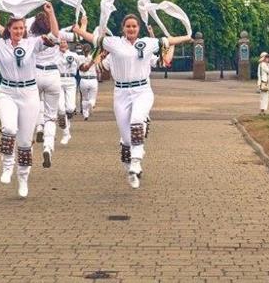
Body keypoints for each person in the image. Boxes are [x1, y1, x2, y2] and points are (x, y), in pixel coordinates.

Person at [72, 13, 191, 189]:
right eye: (128, 26)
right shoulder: (113, 44)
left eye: (134, 26)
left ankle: (136, 161)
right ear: (123, 28)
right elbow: (94, 39)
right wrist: (79, 31)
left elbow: (168, 41)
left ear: (138, 28)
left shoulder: (147, 43)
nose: (131, 29)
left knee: (136, 120)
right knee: (126, 140)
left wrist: (187, 37)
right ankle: (132, 163)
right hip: (121, 93)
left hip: (142, 90)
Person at [0, 2, 59, 198]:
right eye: (15, 28)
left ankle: (23, 179)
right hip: (7, 92)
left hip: (29, 93)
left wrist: (50, 14)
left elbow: (53, 36)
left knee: (25, 141)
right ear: (8, 29)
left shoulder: (32, 43)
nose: (19, 31)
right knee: (9, 129)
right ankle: (7, 166)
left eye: (21, 28)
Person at [45, 38, 80, 166]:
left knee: (70, 108)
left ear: (67, 44)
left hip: (70, 81)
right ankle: (66, 133)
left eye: (64, 42)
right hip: (58, 81)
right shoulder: (54, 55)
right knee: (60, 109)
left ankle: (67, 126)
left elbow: (83, 66)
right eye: (60, 43)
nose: (63, 44)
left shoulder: (74, 55)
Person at [77, 44, 99, 121]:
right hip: (93, 79)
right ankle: (91, 104)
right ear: (90, 50)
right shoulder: (94, 58)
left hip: (83, 80)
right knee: (92, 98)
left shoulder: (79, 58)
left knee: (84, 98)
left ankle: (85, 114)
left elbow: (81, 68)